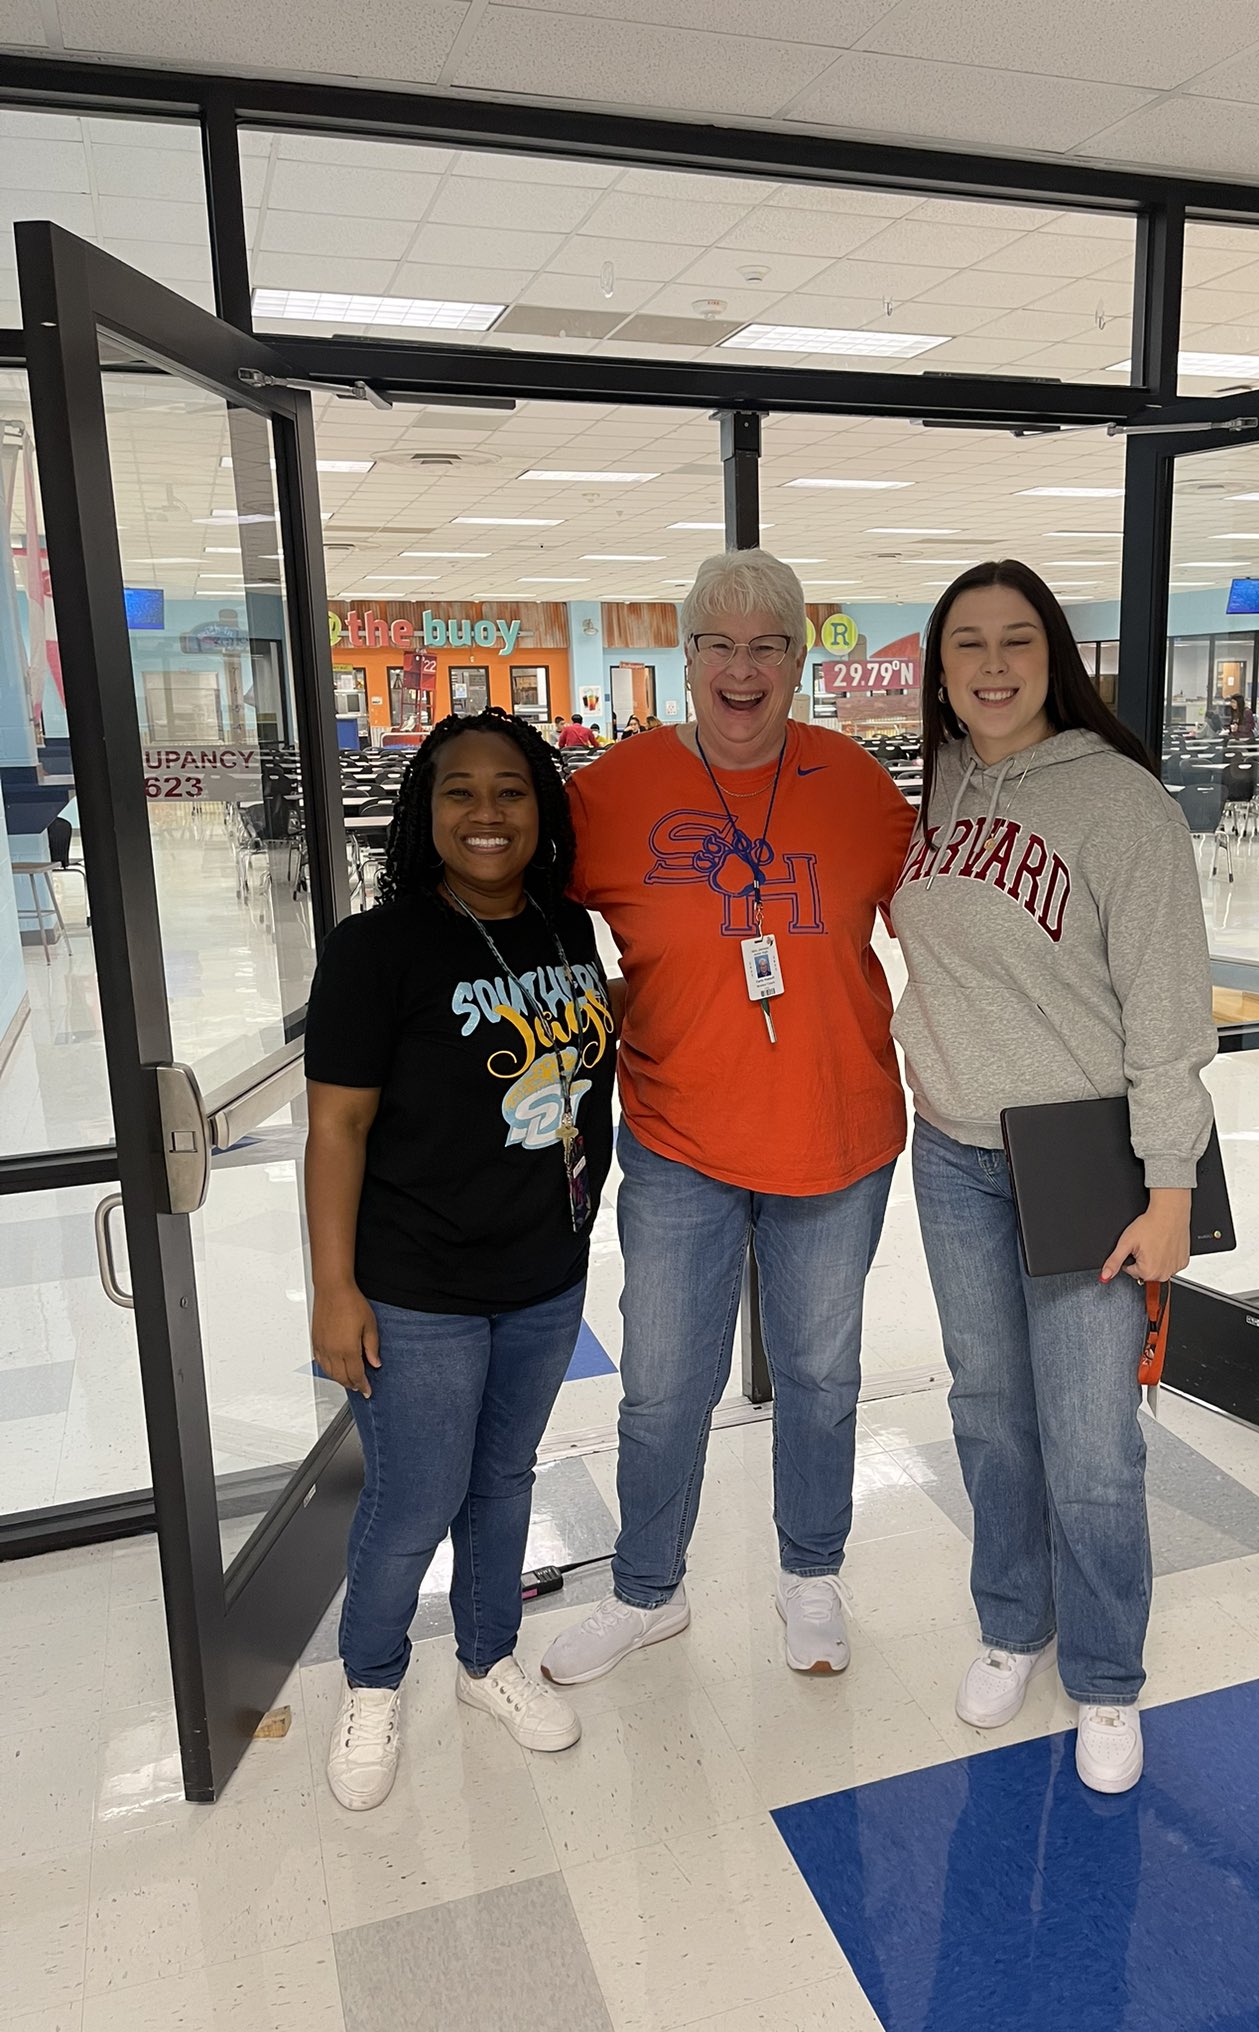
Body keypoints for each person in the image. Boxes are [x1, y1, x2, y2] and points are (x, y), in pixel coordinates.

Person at [540, 549, 915, 1686]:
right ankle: (649, 1588)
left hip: (837, 1137)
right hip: (678, 1141)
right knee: (660, 1384)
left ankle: (811, 1575)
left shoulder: (860, 788)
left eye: (768, 645)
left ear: (801, 661)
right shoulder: (610, 791)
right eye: (719, 644)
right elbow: (523, 931)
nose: (742, 669)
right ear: (686, 657)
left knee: (820, 1375)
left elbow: (959, 934)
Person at [890, 560, 1215, 1795]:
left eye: (1014, 638)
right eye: (964, 641)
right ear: (938, 666)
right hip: (958, 1153)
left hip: (1087, 1164)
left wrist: (1170, 1185)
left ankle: (1110, 1675)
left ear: (1054, 656)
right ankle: (1010, 1621)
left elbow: (1169, 1013)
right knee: (988, 1412)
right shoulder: (945, 786)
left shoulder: (1124, 805)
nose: (989, 662)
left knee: (1090, 1442)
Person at [304, 707, 617, 1811]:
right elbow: (335, 1128)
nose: (487, 812)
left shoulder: (567, 929)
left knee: (503, 1480)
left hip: (543, 1273)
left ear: (544, 808)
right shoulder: (374, 948)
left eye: (511, 790)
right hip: (416, 1281)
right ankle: (374, 1679)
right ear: (424, 812)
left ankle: (487, 1659)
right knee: (415, 1495)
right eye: (459, 791)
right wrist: (334, 1290)